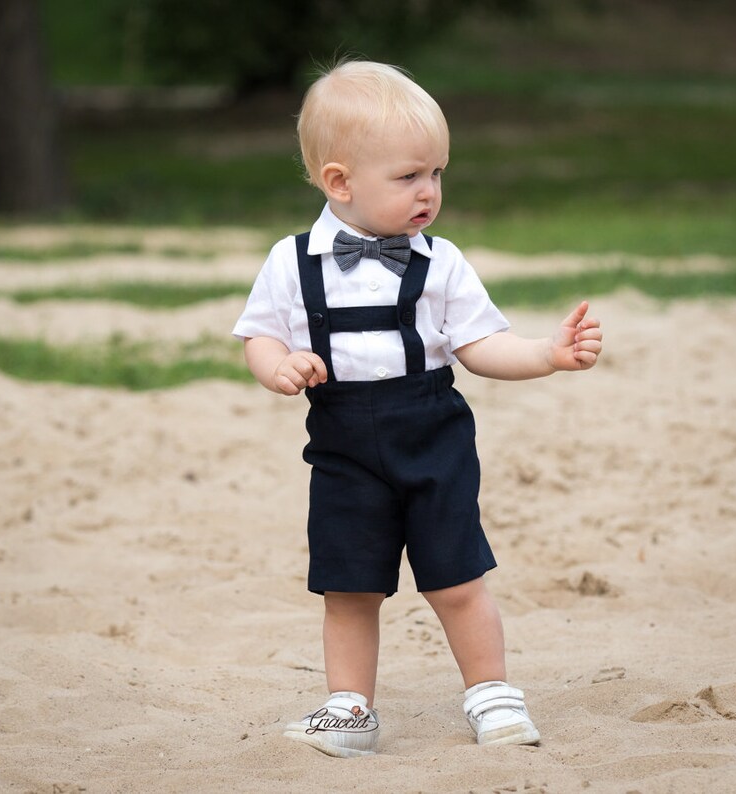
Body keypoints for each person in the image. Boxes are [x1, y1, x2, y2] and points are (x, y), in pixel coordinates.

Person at [232, 60, 602, 758]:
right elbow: (260, 334)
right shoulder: (291, 262)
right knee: (347, 584)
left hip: (432, 434)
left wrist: (545, 354)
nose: (429, 190)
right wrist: (279, 367)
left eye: (436, 173)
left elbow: (481, 345)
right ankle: (350, 707)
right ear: (339, 182)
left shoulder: (442, 263)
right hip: (342, 447)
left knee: (457, 574)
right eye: (409, 177)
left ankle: (491, 694)